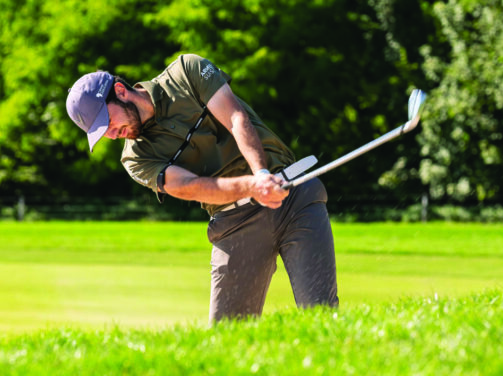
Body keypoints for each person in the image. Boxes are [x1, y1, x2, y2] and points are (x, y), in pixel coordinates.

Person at [66, 54, 339, 323]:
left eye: (108, 122)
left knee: (321, 316)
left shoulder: (186, 72)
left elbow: (234, 117)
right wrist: (252, 186)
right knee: (228, 338)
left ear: (120, 91)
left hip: (293, 196)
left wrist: (262, 174)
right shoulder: (135, 158)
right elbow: (188, 186)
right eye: (103, 132)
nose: (112, 134)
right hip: (234, 224)